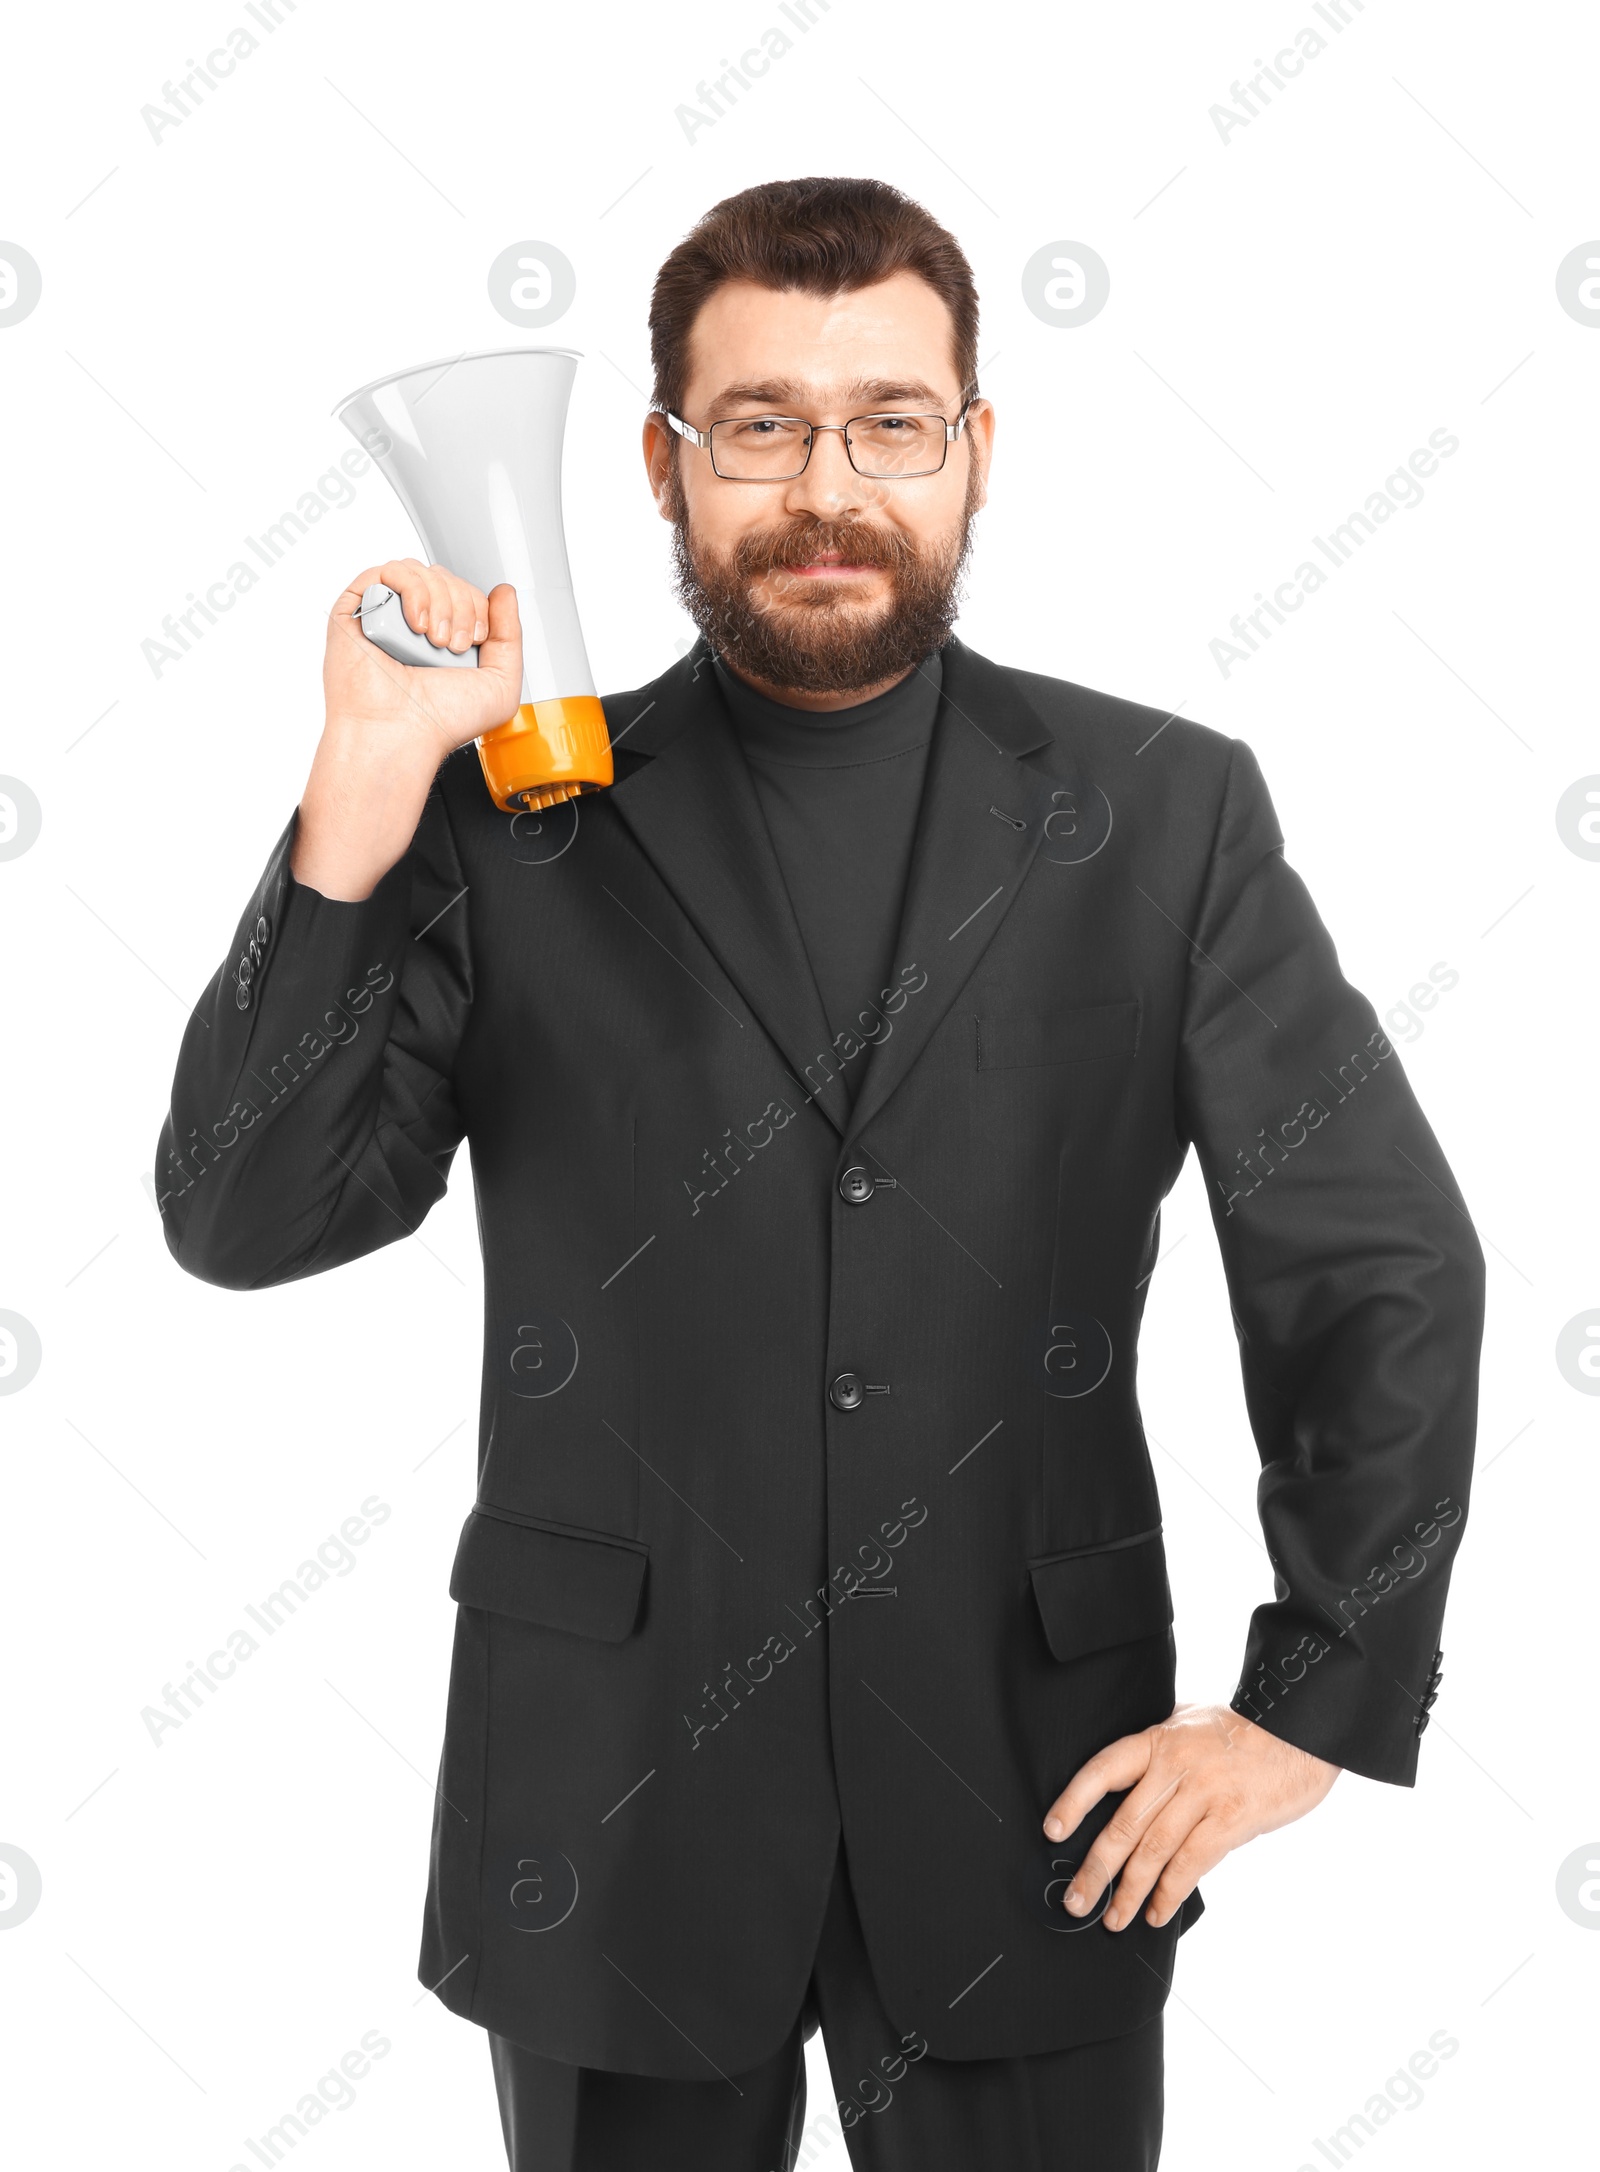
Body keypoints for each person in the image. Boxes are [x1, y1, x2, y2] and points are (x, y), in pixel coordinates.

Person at [157, 176, 1485, 2170]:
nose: (826, 481)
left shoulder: (1156, 814)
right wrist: (361, 787)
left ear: (973, 451)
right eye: (762, 423)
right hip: (605, 1804)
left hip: (1041, 1795)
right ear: (663, 465)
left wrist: (1313, 1692)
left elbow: (1374, 1265)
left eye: (890, 419)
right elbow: (246, 1217)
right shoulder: (509, 817)